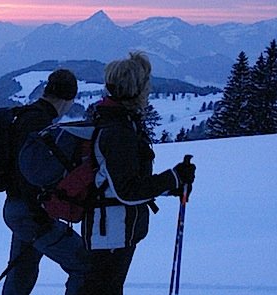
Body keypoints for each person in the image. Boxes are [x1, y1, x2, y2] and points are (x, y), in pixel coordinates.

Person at [81, 51, 196, 295]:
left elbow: (124, 181)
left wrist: (170, 186)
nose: (149, 90)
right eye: (146, 85)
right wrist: (172, 178)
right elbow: (127, 191)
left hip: (114, 229)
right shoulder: (119, 132)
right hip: (111, 232)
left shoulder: (120, 123)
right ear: (135, 89)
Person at [1, 69, 91, 295]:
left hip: (17, 208)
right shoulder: (41, 124)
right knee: (84, 265)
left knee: (21, 272)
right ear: (68, 99)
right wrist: (38, 211)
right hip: (31, 213)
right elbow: (29, 173)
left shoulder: (25, 116)